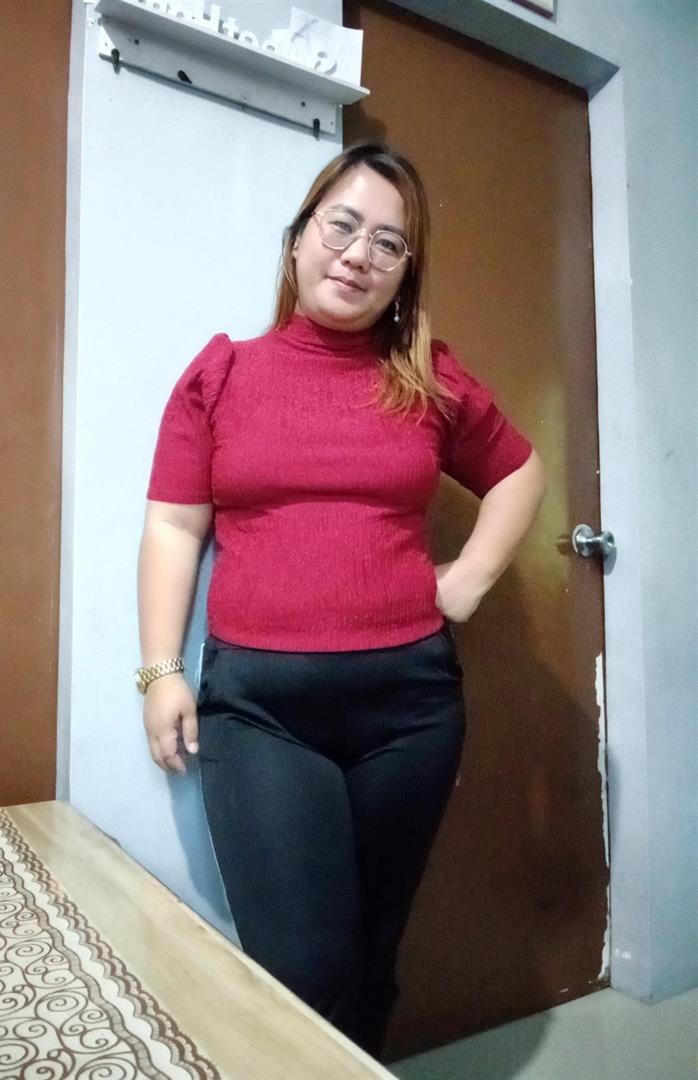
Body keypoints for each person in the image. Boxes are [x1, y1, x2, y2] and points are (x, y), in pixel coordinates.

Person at [136, 142, 546, 1059]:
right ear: (299, 240)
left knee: (371, 952)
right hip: (261, 714)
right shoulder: (221, 375)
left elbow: (520, 472)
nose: (360, 254)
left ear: (404, 273)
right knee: (303, 970)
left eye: (388, 244)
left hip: (410, 711)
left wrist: (468, 580)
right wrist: (161, 670)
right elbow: (172, 528)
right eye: (343, 227)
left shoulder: (428, 379)